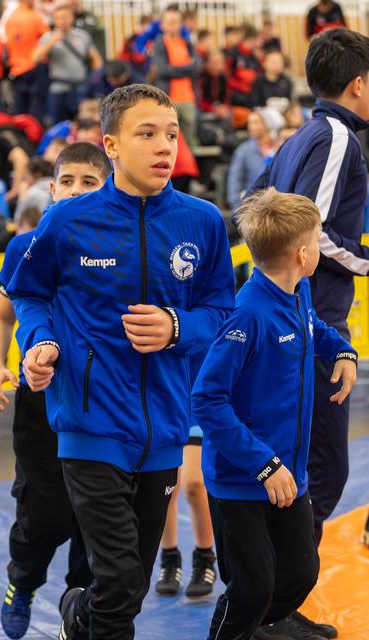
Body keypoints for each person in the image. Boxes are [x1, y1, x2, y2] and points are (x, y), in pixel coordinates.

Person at [7, 83, 235, 640]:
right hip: (89, 425)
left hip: (164, 427)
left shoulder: (202, 221)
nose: (165, 146)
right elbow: (29, 295)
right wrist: (39, 342)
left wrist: (177, 327)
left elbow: (221, 311)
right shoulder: (67, 222)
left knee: (125, 585)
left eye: (172, 134)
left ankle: (74, 616)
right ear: (110, 144)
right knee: (119, 574)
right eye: (147, 133)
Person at [244, 28, 369, 639]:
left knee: (296, 463)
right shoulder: (338, 137)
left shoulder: (299, 135)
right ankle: (269, 605)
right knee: (321, 466)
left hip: (286, 316)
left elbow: (252, 204)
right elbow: (308, 233)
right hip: (307, 320)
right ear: (359, 83)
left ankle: (274, 604)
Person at [193, 187, 358, 640]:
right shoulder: (247, 316)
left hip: (291, 473)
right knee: (251, 588)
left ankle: (261, 630)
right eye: (319, 238)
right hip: (243, 480)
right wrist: (264, 466)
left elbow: (315, 329)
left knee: (301, 574)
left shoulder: (298, 288)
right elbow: (207, 400)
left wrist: (342, 351)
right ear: (304, 253)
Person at [0, 142, 111, 640]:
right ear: (51, 187)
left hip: (101, 397)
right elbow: (1, 315)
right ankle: (23, 580)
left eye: (89, 182)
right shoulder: (25, 245)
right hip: (40, 400)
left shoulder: (122, 246)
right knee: (44, 511)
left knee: (94, 516)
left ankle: (81, 611)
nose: (76, 190)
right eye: (68, 181)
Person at [155, 429, 216, 598]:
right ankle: (169, 559)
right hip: (167, 413)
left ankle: (205, 558)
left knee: (194, 485)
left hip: (194, 413)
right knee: (166, 487)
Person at [33, 3, 102, 125]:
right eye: (58, 18)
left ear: (72, 18)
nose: (62, 21)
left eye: (65, 17)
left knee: (82, 123)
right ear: (53, 20)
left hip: (80, 88)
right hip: (58, 88)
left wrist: (93, 79)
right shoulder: (48, 37)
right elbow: (35, 58)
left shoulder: (82, 36)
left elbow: (97, 60)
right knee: (58, 124)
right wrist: (51, 42)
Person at [154, 6, 199, 148]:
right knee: (169, 142)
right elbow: (163, 70)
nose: (175, 25)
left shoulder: (186, 43)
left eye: (177, 21)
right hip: (169, 98)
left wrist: (176, 69)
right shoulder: (160, 43)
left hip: (188, 98)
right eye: (171, 21)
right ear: (163, 25)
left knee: (189, 144)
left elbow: (197, 66)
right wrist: (187, 68)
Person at [227, 108, 281, 210]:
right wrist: (238, 209)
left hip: (277, 206)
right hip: (252, 208)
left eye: (256, 122)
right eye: (250, 123)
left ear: (267, 124)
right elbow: (234, 181)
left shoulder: (279, 148)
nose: (251, 127)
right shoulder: (243, 150)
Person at [5, 0, 49, 122]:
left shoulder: (10, 18)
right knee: (36, 110)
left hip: (17, 69)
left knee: (19, 110)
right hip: (34, 67)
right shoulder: (34, 17)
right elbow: (47, 38)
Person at [14, 157, 53, 222]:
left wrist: (21, 197)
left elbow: (18, 219)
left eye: (27, 173)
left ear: (37, 174)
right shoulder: (57, 187)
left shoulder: (32, 192)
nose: (24, 177)